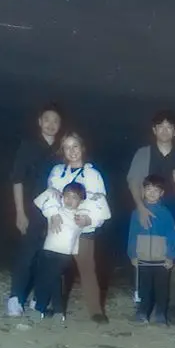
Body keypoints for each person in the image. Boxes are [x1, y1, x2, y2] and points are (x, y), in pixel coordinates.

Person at [127, 111, 175, 321]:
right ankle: (144, 305)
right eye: (161, 126)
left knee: (174, 260)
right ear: (154, 130)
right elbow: (133, 181)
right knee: (144, 257)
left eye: (169, 127)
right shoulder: (143, 154)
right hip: (148, 211)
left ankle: (173, 306)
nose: (165, 130)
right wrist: (140, 207)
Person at [47, 132, 111, 322]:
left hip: (84, 231)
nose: (72, 151)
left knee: (87, 269)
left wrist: (89, 220)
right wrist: (53, 215)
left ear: (82, 148)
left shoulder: (93, 175)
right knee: (55, 269)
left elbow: (101, 205)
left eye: (75, 146)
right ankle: (54, 306)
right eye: (67, 147)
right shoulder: (57, 172)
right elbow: (50, 198)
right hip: (61, 230)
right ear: (62, 151)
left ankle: (96, 311)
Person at [7, 101, 63, 317]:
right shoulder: (28, 146)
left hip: (55, 213)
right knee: (27, 254)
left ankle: (39, 300)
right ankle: (15, 299)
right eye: (46, 119)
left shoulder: (61, 150)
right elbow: (17, 179)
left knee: (47, 256)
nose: (51, 124)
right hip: (31, 209)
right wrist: (20, 212)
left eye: (55, 121)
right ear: (39, 122)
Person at [33, 181, 90, 320]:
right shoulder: (55, 210)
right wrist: (51, 190)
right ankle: (56, 311)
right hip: (48, 250)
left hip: (64, 254)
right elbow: (38, 202)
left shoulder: (81, 217)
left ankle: (42, 308)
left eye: (74, 197)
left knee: (50, 279)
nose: (69, 200)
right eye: (67, 196)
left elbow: (105, 214)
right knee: (49, 279)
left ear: (81, 201)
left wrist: (98, 197)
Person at [128, 174, 175, 325]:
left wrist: (170, 255)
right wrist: (132, 254)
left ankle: (160, 314)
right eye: (148, 189)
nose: (152, 193)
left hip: (161, 260)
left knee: (162, 288)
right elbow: (132, 234)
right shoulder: (136, 213)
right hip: (143, 258)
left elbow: (172, 235)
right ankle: (142, 312)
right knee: (144, 288)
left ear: (162, 193)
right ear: (143, 191)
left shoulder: (166, 213)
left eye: (156, 190)